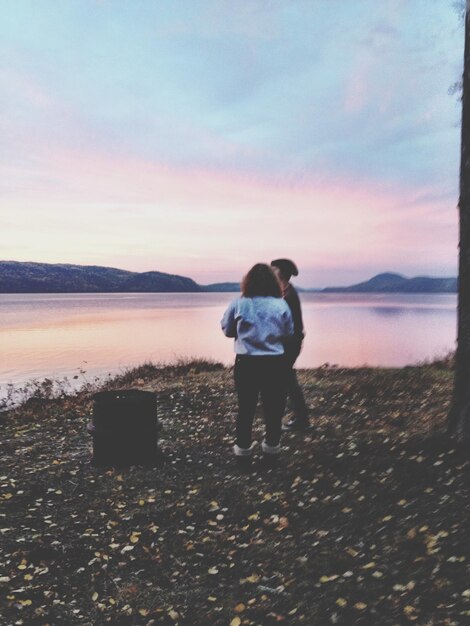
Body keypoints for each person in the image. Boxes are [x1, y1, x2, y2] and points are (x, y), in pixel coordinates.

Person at [221, 263, 294, 462]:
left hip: (247, 363)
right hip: (274, 363)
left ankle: (243, 451)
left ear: (248, 282)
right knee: (273, 408)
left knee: (246, 408)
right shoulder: (281, 304)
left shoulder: (239, 303)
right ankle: (271, 449)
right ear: (272, 282)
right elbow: (288, 333)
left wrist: (246, 334)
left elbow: (227, 330)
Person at [270, 258, 309, 431]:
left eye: (273, 269)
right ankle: (299, 417)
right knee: (286, 380)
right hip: (287, 343)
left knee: (287, 380)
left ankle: (301, 419)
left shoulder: (289, 296)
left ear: (281, 273)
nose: (270, 272)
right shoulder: (283, 292)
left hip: (290, 344)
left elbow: (290, 327)